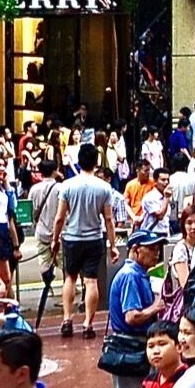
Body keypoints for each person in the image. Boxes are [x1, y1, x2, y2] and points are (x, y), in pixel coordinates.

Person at [104, 224, 173, 388]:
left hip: (136, 349)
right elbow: (131, 317)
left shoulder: (138, 274)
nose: (156, 253)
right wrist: (156, 307)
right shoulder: (131, 276)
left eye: (157, 248)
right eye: (150, 248)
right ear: (135, 249)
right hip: (130, 349)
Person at [54, 144, 119, 339]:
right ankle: (88, 324)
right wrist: (113, 245)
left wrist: (55, 238)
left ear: (78, 161)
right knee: (91, 280)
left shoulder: (67, 185)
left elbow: (59, 217)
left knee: (70, 277)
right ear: (96, 162)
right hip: (94, 238)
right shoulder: (104, 187)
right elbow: (108, 219)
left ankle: (67, 319)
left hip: (72, 238)